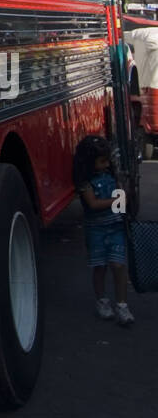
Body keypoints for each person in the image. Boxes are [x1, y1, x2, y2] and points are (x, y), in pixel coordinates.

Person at [72, 135, 133, 325]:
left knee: (118, 265)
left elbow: (122, 196)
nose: (107, 164)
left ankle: (122, 305)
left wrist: (124, 194)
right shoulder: (85, 183)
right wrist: (118, 200)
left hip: (115, 227)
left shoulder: (112, 176)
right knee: (100, 267)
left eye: (107, 160)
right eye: (102, 161)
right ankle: (102, 301)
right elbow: (92, 204)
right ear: (90, 162)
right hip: (96, 230)